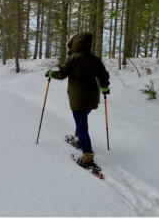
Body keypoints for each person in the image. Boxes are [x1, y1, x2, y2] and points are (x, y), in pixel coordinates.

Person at [45, 33, 110, 167]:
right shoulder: (95, 59)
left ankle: (87, 155)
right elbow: (104, 75)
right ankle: (79, 140)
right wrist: (104, 87)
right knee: (82, 120)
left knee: (82, 126)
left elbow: (62, 74)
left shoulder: (72, 59)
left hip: (78, 99)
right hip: (92, 98)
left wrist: (51, 73)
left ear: (75, 44)